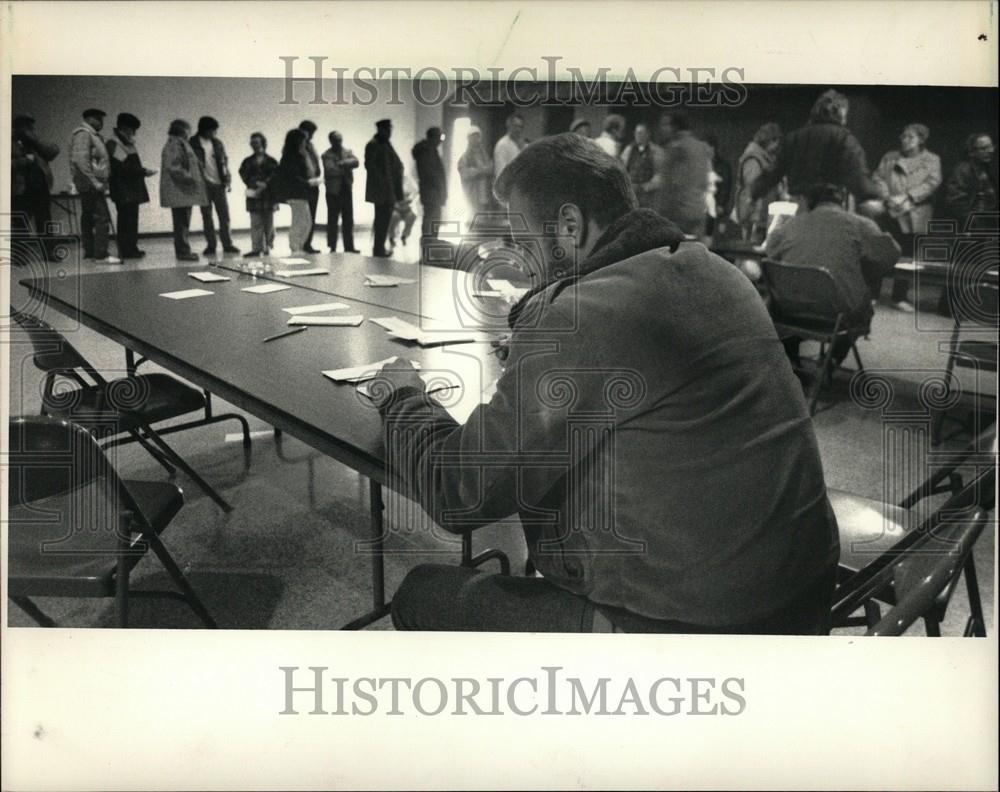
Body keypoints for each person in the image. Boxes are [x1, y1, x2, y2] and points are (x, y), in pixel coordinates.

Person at [374, 133, 839, 634]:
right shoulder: (718, 271)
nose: (520, 261)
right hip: (804, 597)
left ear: (570, 226)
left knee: (421, 593)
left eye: (524, 241)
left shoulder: (582, 316)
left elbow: (458, 492)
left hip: (697, 634)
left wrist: (403, 398)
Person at [765, 182, 901, 368]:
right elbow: (890, 256)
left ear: (808, 202)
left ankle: (791, 359)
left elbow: (770, 252)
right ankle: (832, 360)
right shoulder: (860, 224)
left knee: (795, 296)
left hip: (788, 310)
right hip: (836, 315)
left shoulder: (791, 225)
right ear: (842, 201)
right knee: (862, 309)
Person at [861, 123, 942, 311]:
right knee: (881, 252)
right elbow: (878, 177)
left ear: (921, 140)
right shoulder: (890, 157)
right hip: (890, 210)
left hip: (915, 212)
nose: (905, 140)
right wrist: (888, 197)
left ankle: (899, 297)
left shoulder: (931, 160)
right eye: (903, 136)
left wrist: (907, 196)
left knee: (907, 256)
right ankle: (873, 293)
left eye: (910, 137)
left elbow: (932, 182)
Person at [752, 89, 880, 206]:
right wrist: (874, 196)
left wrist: (754, 193)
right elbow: (858, 178)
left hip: (799, 205)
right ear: (841, 112)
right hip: (830, 205)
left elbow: (770, 175)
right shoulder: (844, 138)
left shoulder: (793, 138)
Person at [69, 108, 120, 264]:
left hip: (90, 183)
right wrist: (95, 182)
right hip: (91, 184)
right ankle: (100, 254)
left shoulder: (92, 135)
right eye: (98, 119)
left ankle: (90, 251)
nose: (101, 123)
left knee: (89, 217)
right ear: (89, 119)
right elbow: (81, 160)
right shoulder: (84, 134)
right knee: (101, 218)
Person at [106, 113, 156, 260]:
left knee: (132, 219)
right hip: (123, 188)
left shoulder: (126, 142)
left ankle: (132, 247)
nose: (134, 133)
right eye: (132, 129)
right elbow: (120, 168)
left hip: (131, 188)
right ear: (123, 128)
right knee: (125, 220)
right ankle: (126, 250)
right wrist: (143, 171)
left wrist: (141, 171)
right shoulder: (114, 143)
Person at [11, 114, 60, 260]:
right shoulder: (9, 142)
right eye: (25, 127)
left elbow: (53, 151)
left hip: (41, 188)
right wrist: (24, 161)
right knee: (20, 223)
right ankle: (20, 255)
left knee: (45, 222)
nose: (28, 130)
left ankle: (49, 252)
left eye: (30, 127)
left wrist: (35, 140)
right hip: (20, 189)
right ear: (17, 128)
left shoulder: (35, 144)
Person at [657, 113, 713, 238]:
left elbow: (669, 185)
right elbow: (705, 182)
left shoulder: (675, 149)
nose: (662, 129)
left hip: (678, 215)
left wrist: (661, 215)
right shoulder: (701, 147)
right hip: (699, 211)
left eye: (665, 124)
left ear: (675, 127)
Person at [189, 116, 239, 255]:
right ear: (204, 129)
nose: (214, 133)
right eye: (212, 130)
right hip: (203, 184)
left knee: (224, 215)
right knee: (207, 216)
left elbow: (224, 161)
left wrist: (227, 179)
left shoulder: (217, 143)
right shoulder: (192, 143)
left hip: (219, 183)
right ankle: (211, 245)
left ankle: (227, 244)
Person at [160, 119, 207, 262]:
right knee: (181, 222)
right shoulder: (175, 144)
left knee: (183, 222)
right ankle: (183, 251)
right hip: (180, 190)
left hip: (182, 190)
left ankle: (183, 250)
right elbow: (174, 167)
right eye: (188, 129)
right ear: (183, 130)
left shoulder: (179, 143)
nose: (190, 132)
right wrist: (191, 179)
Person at [732, 122, 783, 244]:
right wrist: (755, 218)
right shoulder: (754, 159)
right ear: (770, 141)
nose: (778, 146)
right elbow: (753, 188)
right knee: (750, 251)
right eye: (776, 142)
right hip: (754, 216)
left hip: (761, 214)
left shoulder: (764, 158)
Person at [272, 128, 321, 255]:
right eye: (303, 140)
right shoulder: (291, 156)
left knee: (304, 221)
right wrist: (309, 182)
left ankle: (298, 246)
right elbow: (293, 176)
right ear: (298, 141)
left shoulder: (295, 155)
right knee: (301, 221)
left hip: (299, 193)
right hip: (295, 193)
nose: (305, 143)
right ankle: (295, 247)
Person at [364, 119, 404, 258]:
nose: (389, 132)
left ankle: (379, 247)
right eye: (387, 130)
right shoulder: (374, 145)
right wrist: (384, 185)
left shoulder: (385, 144)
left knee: (384, 220)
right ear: (381, 130)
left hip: (388, 190)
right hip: (382, 191)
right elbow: (372, 168)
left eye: (390, 130)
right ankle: (378, 248)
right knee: (381, 220)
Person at [238, 132, 279, 257]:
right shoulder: (247, 161)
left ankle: (268, 247)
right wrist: (255, 183)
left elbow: (276, 175)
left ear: (262, 143)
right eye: (252, 142)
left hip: (269, 195)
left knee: (269, 222)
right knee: (255, 222)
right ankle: (256, 248)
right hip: (254, 194)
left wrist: (266, 184)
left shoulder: (271, 161)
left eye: (256, 142)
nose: (254, 145)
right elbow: (243, 174)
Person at [944, 133, 997, 223]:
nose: (990, 151)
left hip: (988, 222)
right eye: (984, 148)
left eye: (991, 147)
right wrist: (975, 221)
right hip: (972, 225)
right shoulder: (961, 171)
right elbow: (955, 203)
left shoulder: (987, 169)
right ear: (971, 152)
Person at [321, 130, 360, 253]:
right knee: (332, 220)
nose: (338, 142)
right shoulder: (326, 155)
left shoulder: (346, 152)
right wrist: (346, 167)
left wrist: (341, 163)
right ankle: (331, 246)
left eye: (340, 139)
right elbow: (330, 170)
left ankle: (349, 246)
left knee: (348, 219)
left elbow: (356, 162)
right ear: (331, 141)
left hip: (346, 190)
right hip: (333, 192)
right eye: (336, 140)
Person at [412, 127, 448, 240]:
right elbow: (430, 173)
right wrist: (440, 188)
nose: (441, 140)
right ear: (433, 137)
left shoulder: (430, 150)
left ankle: (431, 244)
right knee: (431, 220)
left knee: (433, 220)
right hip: (431, 192)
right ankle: (428, 246)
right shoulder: (426, 152)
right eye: (440, 137)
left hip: (433, 192)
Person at [619, 122, 665, 210]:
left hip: (648, 195)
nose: (637, 135)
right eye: (635, 132)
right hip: (631, 193)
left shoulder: (656, 151)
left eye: (640, 133)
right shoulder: (629, 149)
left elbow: (660, 173)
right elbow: (621, 168)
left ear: (647, 135)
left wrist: (647, 186)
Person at [457, 125, 493, 218]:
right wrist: (478, 171)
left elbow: (490, 168)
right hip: (474, 192)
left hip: (485, 192)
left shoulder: (485, 155)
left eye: (477, 137)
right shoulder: (465, 157)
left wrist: (486, 170)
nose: (476, 140)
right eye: (473, 137)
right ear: (469, 139)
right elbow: (464, 173)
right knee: (474, 217)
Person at [298, 120, 323, 253]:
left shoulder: (311, 146)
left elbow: (315, 162)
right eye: (311, 132)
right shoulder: (297, 146)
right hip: (303, 186)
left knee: (312, 216)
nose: (312, 136)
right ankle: (301, 243)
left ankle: (308, 243)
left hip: (313, 185)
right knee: (303, 217)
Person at [703, 133, 732, 237]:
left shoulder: (723, 166)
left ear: (713, 148)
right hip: (703, 206)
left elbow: (726, 187)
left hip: (716, 206)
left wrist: (721, 204)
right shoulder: (701, 165)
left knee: (716, 236)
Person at [493, 112, 526, 177]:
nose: (518, 129)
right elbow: (501, 172)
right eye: (515, 126)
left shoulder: (523, 144)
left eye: (521, 127)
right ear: (508, 126)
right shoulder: (502, 145)